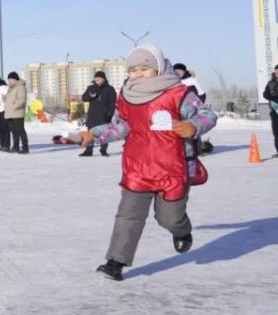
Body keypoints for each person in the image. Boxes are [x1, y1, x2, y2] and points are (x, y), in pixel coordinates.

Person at [80, 43, 217, 281]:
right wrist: (93, 134)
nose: (138, 74)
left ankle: (182, 230)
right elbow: (120, 127)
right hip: (137, 168)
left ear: (158, 67)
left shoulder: (179, 93)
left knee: (169, 218)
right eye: (133, 70)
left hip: (172, 169)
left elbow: (207, 115)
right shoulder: (127, 96)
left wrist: (193, 126)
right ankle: (115, 262)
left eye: (144, 68)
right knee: (128, 216)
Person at [173, 63, 213, 154]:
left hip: (192, 107)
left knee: (192, 126)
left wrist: (198, 106)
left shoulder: (192, 81)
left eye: (180, 71)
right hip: (179, 108)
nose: (178, 73)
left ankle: (197, 148)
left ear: (184, 71)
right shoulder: (173, 81)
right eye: (176, 71)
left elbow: (202, 93)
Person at [79, 71, 117, 157]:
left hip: (104, 115)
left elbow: (112, 103)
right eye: (96, 77)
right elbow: (84, 98)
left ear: (103, 79)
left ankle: (103, 150)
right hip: (92, 115)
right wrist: (90, 96)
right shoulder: (91, 88)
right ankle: (88, 151)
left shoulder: (109, 89)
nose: (97, 79)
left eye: (99, 78)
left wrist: (110, 114)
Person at [4, 71, 29, 154]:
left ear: (15, 79)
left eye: (11, 79)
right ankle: (16, 147)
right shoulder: (10, 88)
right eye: (8, 79)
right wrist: (4, 98)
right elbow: (10, 100)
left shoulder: (21, 87)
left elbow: (21, 99)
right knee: (14, 131)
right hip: (10, 113)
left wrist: (14, 106)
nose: (9, 81)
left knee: (20, 130)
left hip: (17, 112)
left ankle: (25, 148)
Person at [265, 64, 278, 157]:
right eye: (276, 71)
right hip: (275, 111)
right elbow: (265, 94)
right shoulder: (270, 83)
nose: (277, 73)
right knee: (276, 132)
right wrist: (271, 97)